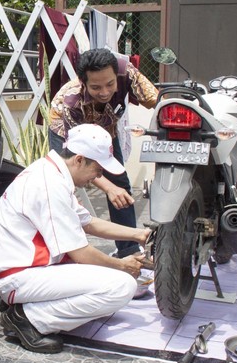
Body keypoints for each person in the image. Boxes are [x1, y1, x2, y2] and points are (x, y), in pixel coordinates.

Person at [0, 124, 151, 354]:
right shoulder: (49, 184)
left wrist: (138, 234)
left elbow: (88, 222)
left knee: (107, 284)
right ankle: (27, 318)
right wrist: (122, 266)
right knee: (122, 286)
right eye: (98, 169)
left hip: (30, 269)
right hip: (20, 276)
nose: (99, 176)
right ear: (79, 160)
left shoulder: (53, 173)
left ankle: (30, 308)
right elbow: (80, 253)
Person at [49, 48, 158, 257]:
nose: (105, 92)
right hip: (68, 134)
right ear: (84, 82)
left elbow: (156, 100)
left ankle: (130, 251)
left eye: (110, 84)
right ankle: (65, 252)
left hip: (105, 128)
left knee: (121, 184)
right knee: (63, 185)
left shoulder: (127, 71)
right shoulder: (69, 103)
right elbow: (78, 162)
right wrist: (107, 187)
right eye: (96, 87)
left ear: (117, 75)